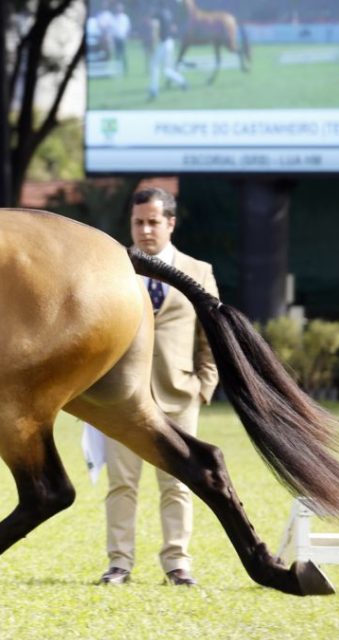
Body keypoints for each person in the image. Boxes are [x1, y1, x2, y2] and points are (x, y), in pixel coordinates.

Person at [96, 186, 218, 587]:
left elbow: (211, 335)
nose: (145, 230)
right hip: (122, 397)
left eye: (153, 222)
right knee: (121, 484)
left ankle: (177, 563)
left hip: (180, 394)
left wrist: (204, 384)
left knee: (179, 484)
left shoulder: (199, 270)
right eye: (138, 222)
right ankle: (119, 564)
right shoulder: (112, 268)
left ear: (170, 223)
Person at [149, 0, 188, 100]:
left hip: (162, 43)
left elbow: (155, 29)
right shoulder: (168, 13)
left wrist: (153, 45)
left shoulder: (157, 14)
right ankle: (182, 81)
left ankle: (154, 90)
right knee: (167, 70)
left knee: (154, 66)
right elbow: (173, 28)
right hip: (170, 43)